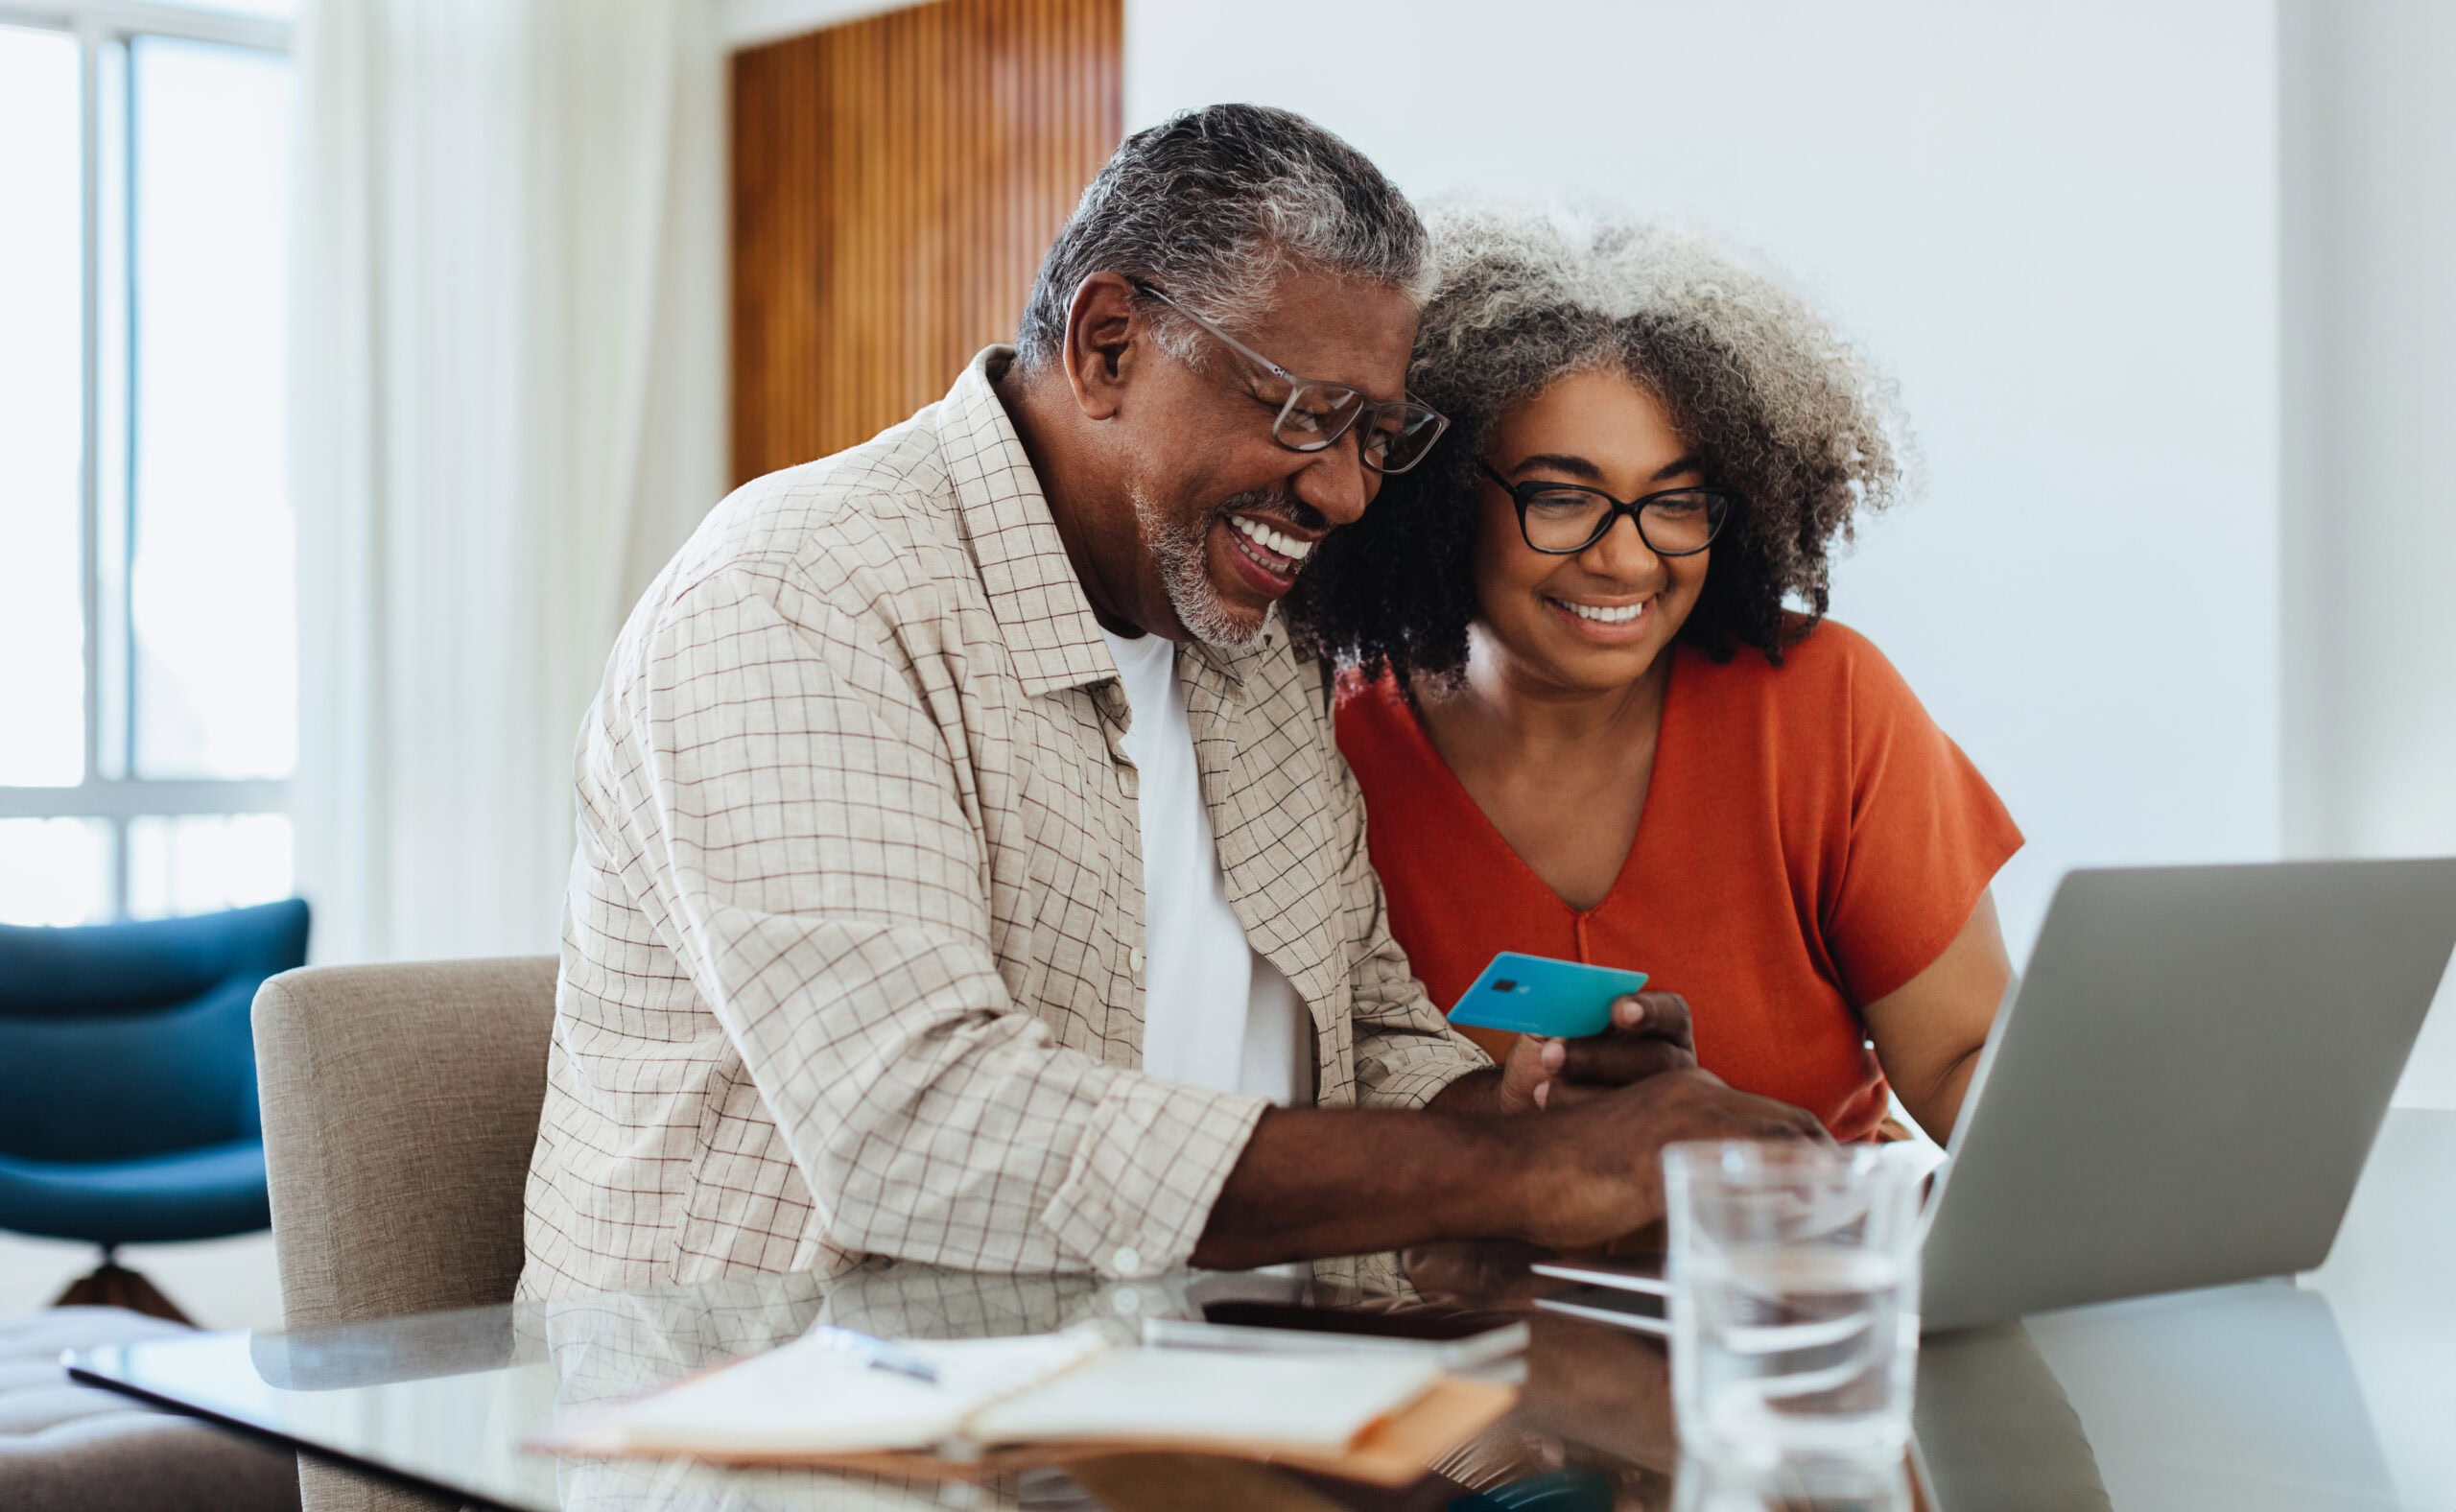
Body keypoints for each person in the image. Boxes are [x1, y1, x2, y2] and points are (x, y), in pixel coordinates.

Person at [517, 107, 1824, 1304]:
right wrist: (1533, 1181)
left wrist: (1524, 1116)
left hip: (1196, 1416)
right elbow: (917, 1130)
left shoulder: (1253, 643)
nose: (1348, 494)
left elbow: (1363, 1024)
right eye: (1309, 416)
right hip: (789, 1434)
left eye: (1379, 434)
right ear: (1108, 346)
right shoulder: (805, 596)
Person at [1291, 205, 2023, 1145]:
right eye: (1562, 497)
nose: (1628, 561)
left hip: (1798, 1276)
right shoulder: (1327, 752)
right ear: (1436, 501)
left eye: (1673, 502)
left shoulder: (1826, 709)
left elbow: (1968, 1063)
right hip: (1463, 1296)